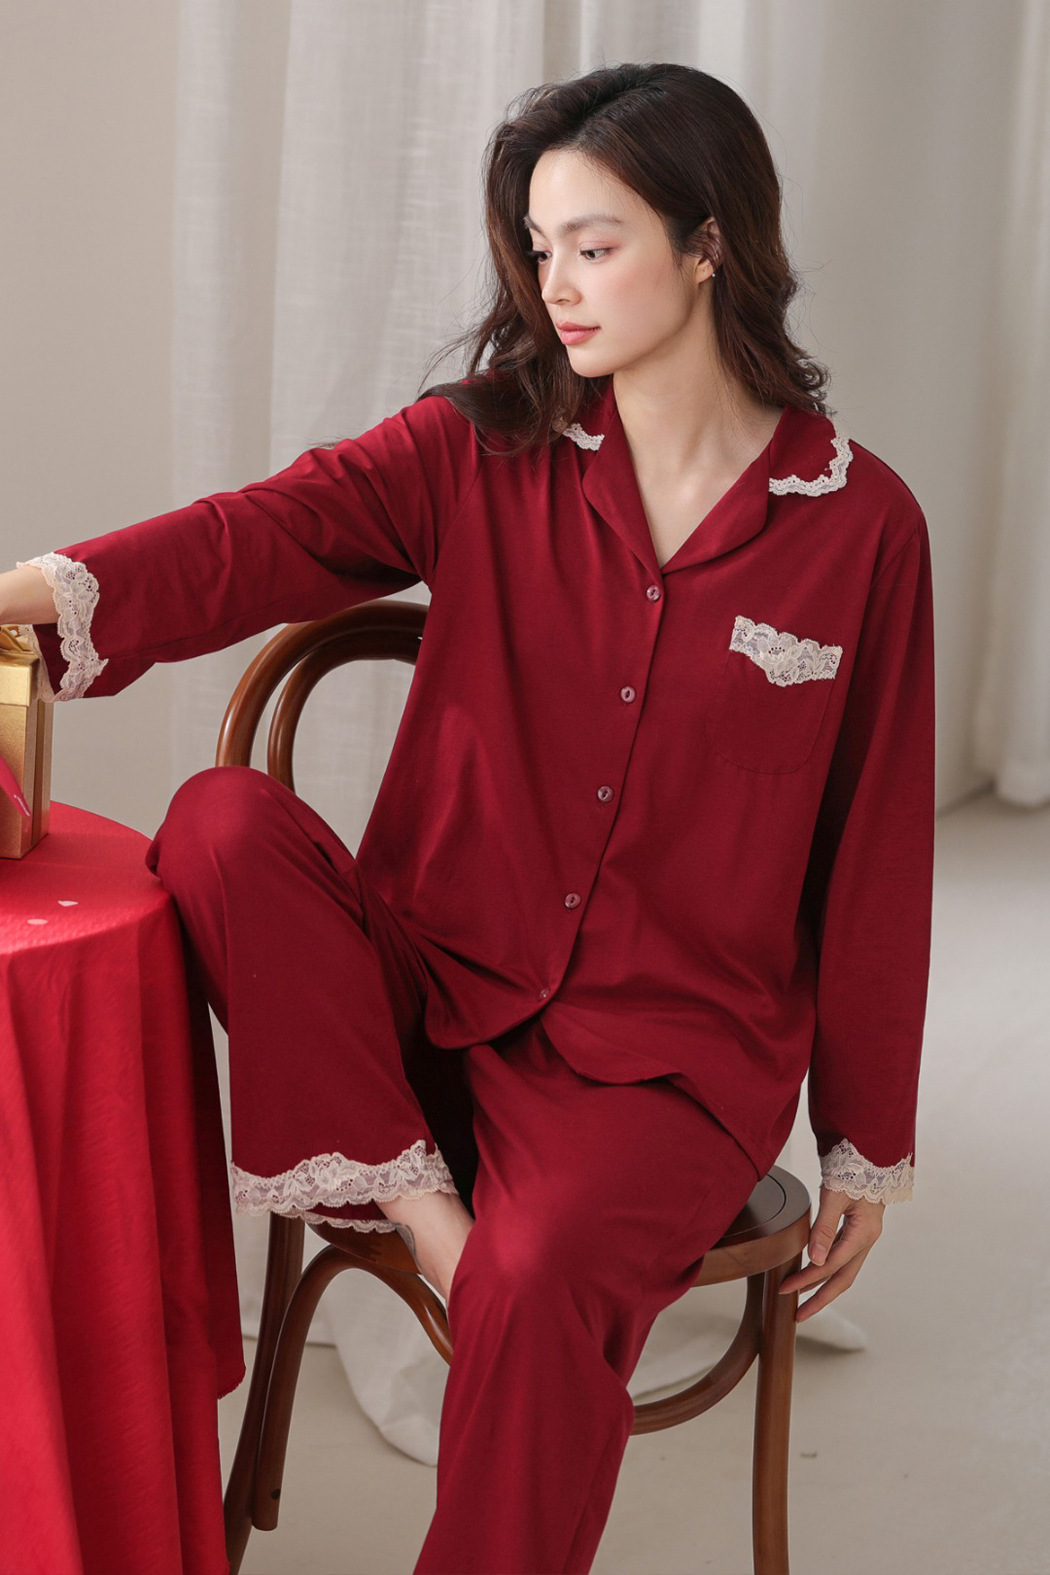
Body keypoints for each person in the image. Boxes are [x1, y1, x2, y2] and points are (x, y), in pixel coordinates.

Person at [1, 60, 934, 1575]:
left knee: (544, 1267)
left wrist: (861, 1147)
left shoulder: (861, 527)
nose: (555, 286)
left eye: (596, 245)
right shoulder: (482, 446)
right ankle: (431, 1217)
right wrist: (18, 600)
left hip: (664, 1061)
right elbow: (257, 535)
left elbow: (877, 848)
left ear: (709, 244)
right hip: (423, 997)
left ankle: (478, 1272)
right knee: (223, 821)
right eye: (540, 246)